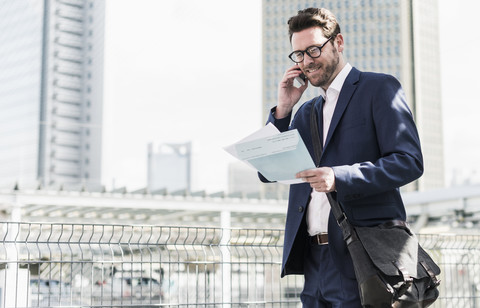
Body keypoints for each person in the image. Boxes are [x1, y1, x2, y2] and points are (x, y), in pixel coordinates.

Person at [260, 7, 424, 307]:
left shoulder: (379, 88)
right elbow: (268, 170)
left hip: (362, 257)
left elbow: (409, 160)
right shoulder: (307, 112)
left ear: (338, 43)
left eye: (313, 49)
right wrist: (283, 109)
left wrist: (339, 177)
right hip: (313, 260)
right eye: (299, 54)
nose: (307, 60)